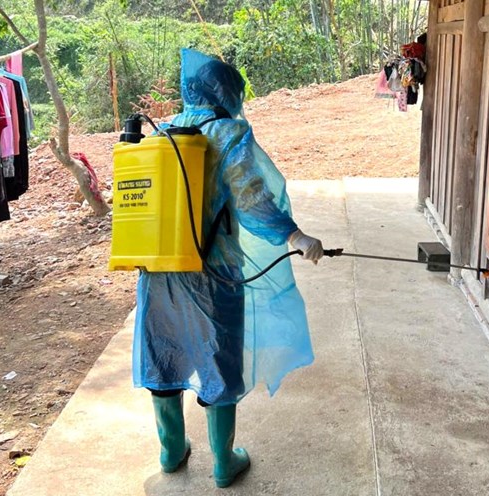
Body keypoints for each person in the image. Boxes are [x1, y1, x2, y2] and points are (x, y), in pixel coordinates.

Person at [133, 48, 324, 488]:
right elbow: (253, 199)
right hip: (213, 272)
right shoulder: (228, 133)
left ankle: (170, 451)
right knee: (219, 359)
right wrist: (294, 236)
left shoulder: (163, 132)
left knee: (163, 355)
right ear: (226, 92)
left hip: (157, 271)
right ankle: (223, 462)